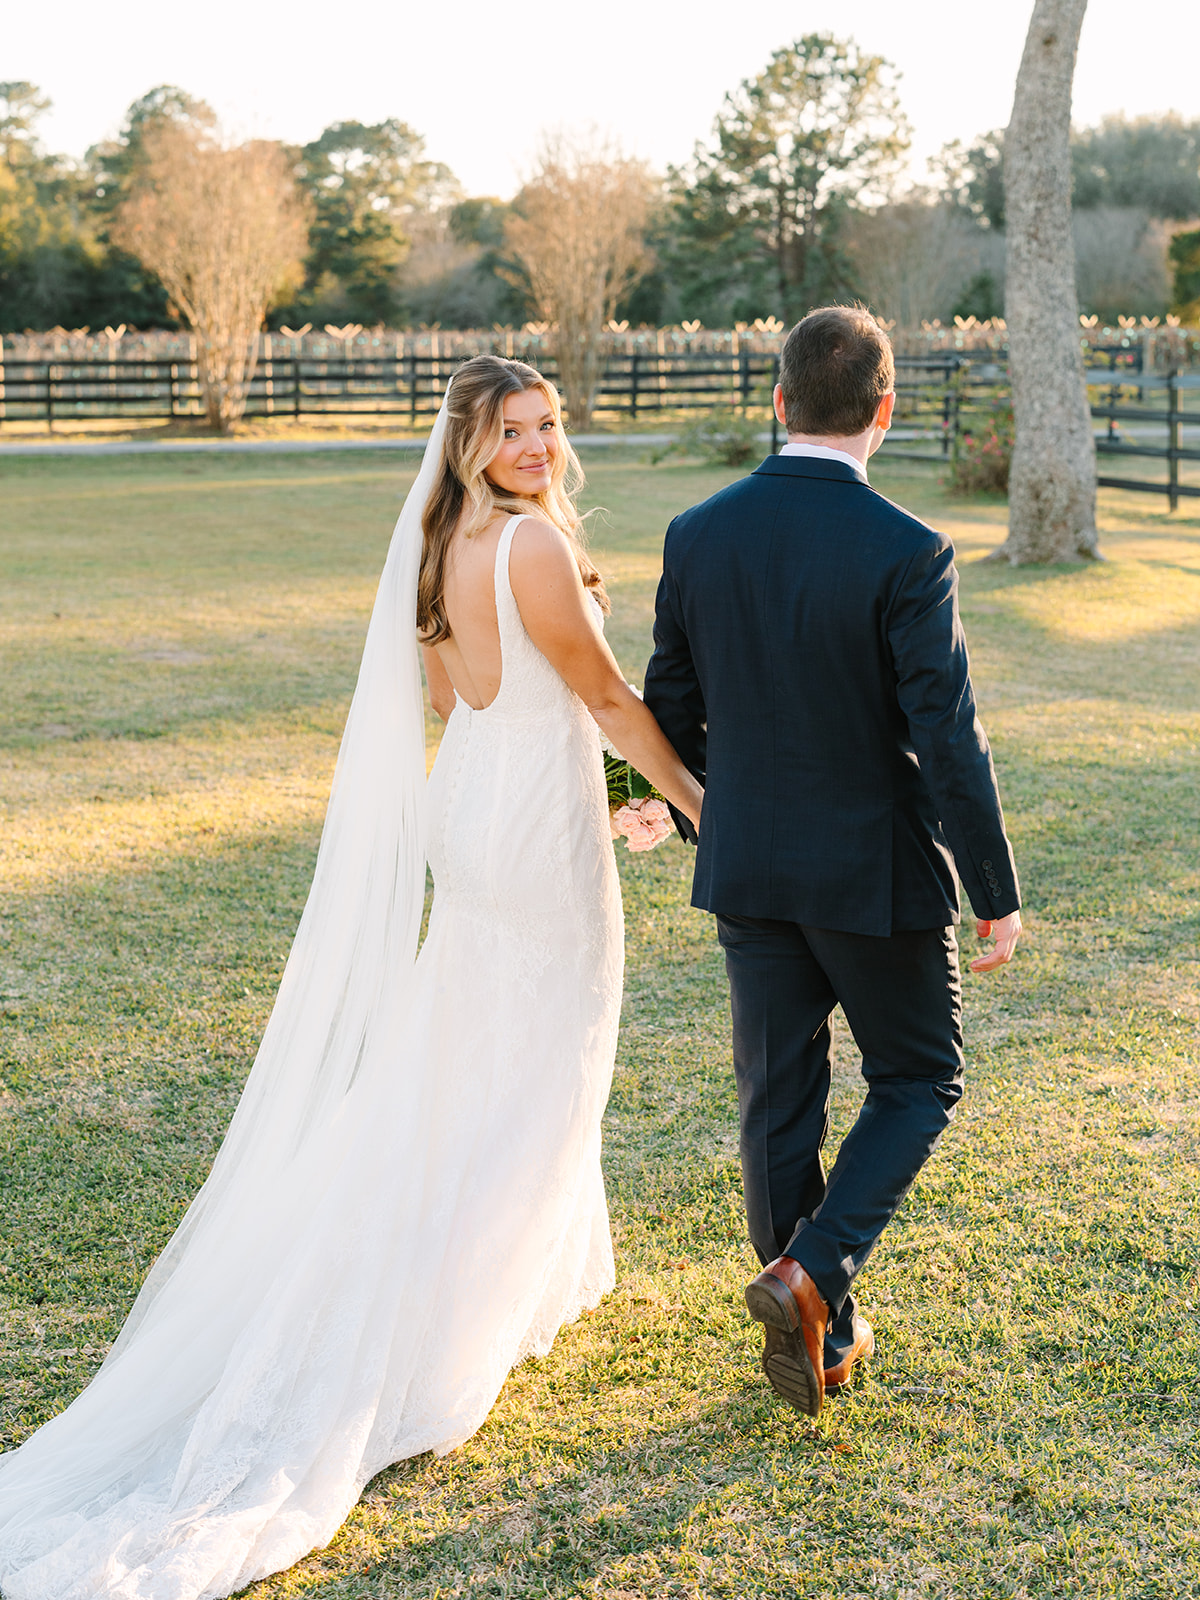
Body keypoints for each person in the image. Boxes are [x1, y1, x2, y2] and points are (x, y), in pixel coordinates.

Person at [0, 355, 702, 1600]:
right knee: (549, 1050)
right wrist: (701, 800)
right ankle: (452, 1315)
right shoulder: (531, 546)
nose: (540, 445)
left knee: (469, 1049)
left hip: (476, 806)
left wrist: (585, 787)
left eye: (547, 425)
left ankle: (523, 1264)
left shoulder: (440, 547)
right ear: (473, 442)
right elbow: (601, 692)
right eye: (514, 429)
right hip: (532, 830)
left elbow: (453, 695)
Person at [643, 305, 1021, 1420]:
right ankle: (812, 1273)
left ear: (777, 403)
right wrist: (994, 891)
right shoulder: (907, 548)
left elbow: (670, 709)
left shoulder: (696, 532)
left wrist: (688, 816)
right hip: (876, 876)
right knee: (920, 1074)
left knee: (777, 1097)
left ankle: (827, 1330)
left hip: (750, 867)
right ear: (885, 411)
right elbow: (947, 736)